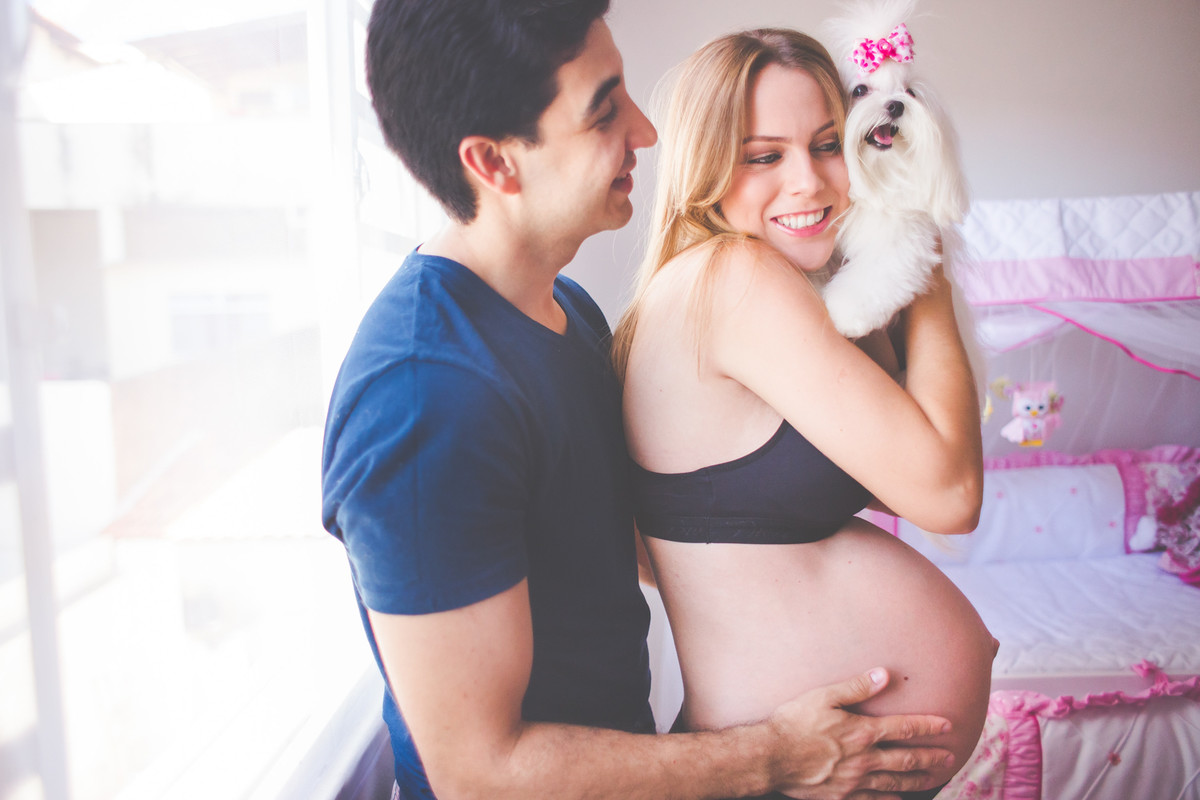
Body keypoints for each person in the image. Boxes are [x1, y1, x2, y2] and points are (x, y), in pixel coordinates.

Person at [322, 3, 958, 799]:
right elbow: (479, 773)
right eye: (603, 110)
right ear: (493, 162)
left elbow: (649, 551)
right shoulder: (423, 396)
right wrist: (775, 754)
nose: (647, 131)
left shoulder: (567, 313)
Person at [612, 28, 997, 799]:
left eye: (828, 146)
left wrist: (886, 238)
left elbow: (894, 470)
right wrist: (928, 276)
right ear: (706, 167)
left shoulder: (745, 286)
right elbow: (948, 495)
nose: (811, 183)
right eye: (764, 156)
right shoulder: (735, 277)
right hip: (788, 776)